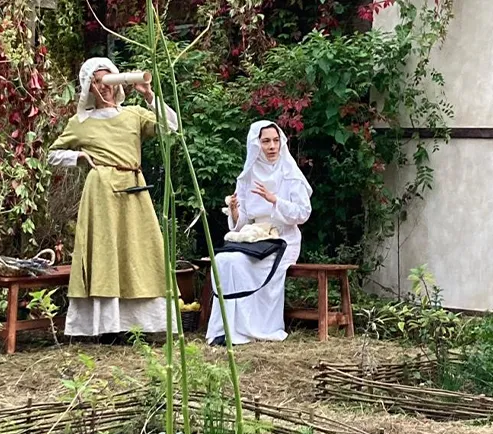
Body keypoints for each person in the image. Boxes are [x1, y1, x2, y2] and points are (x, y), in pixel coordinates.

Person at [47, 57, 179, 340]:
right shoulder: (81, 122)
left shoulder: (132, 114)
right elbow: (52, 154)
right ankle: (106, 327)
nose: (103, 88)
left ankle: (140, 325)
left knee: (138, 251)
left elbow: (171, 127)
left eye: (107, 81)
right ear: (88, 87)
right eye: (97, 82)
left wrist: (149, 95)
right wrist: (79, 156)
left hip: (133, 188)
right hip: (102, 191)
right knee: (107, 253)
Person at [205, 121, 313, 346]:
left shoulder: (290, 172)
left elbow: (303, 213)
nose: (272, 146)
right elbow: (242, 221)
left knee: (246, 264)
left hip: (283, 238)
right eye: (266, 141)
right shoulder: (248, 175)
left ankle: (257, 327)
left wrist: (274, 200)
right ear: (256, 144)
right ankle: (225, 328)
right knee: (224, 260)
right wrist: (235, 211)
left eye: (275, 140)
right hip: (254, 236)